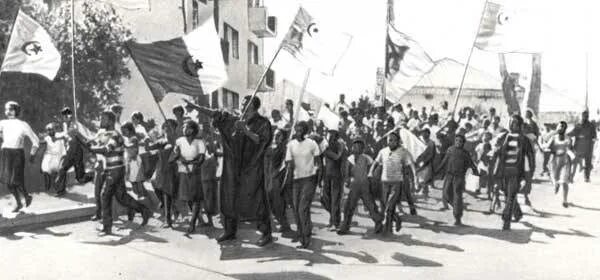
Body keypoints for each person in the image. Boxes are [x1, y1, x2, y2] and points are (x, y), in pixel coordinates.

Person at [184, 96, 273, 247]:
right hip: (233, 165)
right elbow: (215, 114)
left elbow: (261, 140)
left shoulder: (263, 123)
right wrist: (195, 106)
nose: (243, 104)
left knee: (256, 199)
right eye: (243, 102)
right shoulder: (233, 119)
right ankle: (230, 231)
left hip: (251, 167)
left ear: (254, 106)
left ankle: (266, 233)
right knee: (228, 196)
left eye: (247, 103)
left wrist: (245, 130)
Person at [88, 111, 152, 235]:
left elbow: (107, 150)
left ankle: (107, 227)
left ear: (111, 121)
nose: (101, 121)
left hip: (115, 170)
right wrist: (87, 142)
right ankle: (144, 210)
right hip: (114, 169)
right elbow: (94, 142)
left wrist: (91, 148)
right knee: (121, 197)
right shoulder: (106, 134)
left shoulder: (115, 135)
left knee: (105, 196)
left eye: (103, 119)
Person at [369, 132, 418, 234]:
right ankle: (396, 220)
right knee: (385, 207)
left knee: (390, 207)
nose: (390, 142)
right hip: (384, 182)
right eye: (388, 140)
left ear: (397, 141)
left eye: (392, 140)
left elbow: (411, 164)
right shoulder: (383, 151)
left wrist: (415, 177)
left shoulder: (403, 152)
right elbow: (376, 162)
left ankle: (388, 229)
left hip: (396, 183)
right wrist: (370, 171)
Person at [493, 115, 535, 231]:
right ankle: (517, 213)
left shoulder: (525, 140)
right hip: (504, 171)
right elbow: (497, 153)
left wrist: (529, 175)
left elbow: (531, 157)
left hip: (516, 172)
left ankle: (506, 221)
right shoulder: (504, 137)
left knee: (510, 196)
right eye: (511, 122)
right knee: (507, 194)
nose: (512, 125)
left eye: (515, 123)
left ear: (520, 125)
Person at [285, 121, 322, 248]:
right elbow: (289, 164)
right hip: (296, 181)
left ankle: (306, 237)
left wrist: (317, 175)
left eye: (301, 130)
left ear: (305, 131)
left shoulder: (312, 144)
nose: (298, 132)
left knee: (302, 209)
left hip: (309, 179)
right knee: (296, 210)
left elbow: (318, 162)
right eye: (297, 130)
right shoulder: (290, 145)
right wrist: (287, 183)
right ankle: (301, 235)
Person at [337, 139, 383, 235]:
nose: (356, 149)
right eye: (354, 147)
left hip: (365, 185)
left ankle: (379, 223)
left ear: (363, 149)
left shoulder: (367, 158)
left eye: (359, 147)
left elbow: (374, 169)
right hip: (355, 185)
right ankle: (345, 226)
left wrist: (373, 183)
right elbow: (346, 172)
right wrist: (347, 181)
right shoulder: (350, 159)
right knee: (349, 206)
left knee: (370, 205)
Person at [0, 101, 39, 211]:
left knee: (16, 180)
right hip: (5, 153)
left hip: (17, 154)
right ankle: (19, 202)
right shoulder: (2, 123)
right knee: (7, 181)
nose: (8, 112)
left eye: (11, 109)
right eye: (6, 109)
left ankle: (26, 196)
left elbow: (35, 141)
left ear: (16, 111)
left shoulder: (23, 124)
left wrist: (32, 154)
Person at [435, 134, 479, 226]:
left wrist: (476, 173)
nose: (458, 142)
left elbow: (471, 164)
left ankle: (457, 217)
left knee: (457, 197)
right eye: (456, 140)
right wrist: (437, 170)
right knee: (446, 194)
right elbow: (444, 161)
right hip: (449, 176)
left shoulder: (465, 153)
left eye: (460, 141)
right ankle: (457, 207)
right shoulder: (450, 150)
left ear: (463, 143)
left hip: (459, 178)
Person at [172, 120, 206, 234]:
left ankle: (192, 223)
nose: (184, 129)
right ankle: (197, 219)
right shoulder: (179, 141)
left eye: (186, 127)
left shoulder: (199, 142)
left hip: (195, 172)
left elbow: (201, 158)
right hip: (183, 171)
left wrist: (191, 163)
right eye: (183, 127)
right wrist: (181, 159)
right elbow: (175, 155)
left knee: (196, 198)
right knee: (188, 198)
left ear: (192, 130)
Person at [55, 107, 94, 196]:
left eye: (67, 115)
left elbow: (80, 137)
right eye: (64, 116)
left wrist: (89, 148)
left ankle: (93, 176)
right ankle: (60, 190)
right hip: (70, 151)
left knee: (80, 178)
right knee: (62, 169)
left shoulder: (75, 125)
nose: (66, 118)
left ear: (70, 115)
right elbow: (65, 136)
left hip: (77, 151)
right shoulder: (65, 125)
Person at [149, 119, 179, 228]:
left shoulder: (177, 140)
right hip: (160, 167)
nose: (167, 128)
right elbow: (151, 147)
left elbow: (177, 153)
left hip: (171, 168)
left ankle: (168, 219)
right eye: (165, 126)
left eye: (170, 126)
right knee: (154, 183)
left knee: (167, 192)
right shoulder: (162, 140)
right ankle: (172, 208)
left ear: (174, 128)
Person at [265, 129, 293, 234]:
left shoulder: (284, 149)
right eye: (275, 135)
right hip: (269, 178)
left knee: (278, 204)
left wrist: (277, 173)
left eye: (279, 135)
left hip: (278, 179)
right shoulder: (272, 148)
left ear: (284, 137)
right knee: (271, 203)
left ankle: (285, 224)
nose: (276, 137)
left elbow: (285, 164)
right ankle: (283, 223)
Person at [321, 129, 346, 231]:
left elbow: (337, 157)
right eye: (328, 134)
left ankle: (335, 223)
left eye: (332, 134)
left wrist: (326, 152)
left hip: (337, 175)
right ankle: (334, 219)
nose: (329, 136)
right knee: (325, 199)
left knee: (335, 200)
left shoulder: (339, 145)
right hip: (327, 175)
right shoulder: (326, 146)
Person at [546, 121, 574, 208]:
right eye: (559, 126)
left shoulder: (568, 138)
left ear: (565, 129)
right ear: (557, 127)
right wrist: (550, 150)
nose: (561, 128)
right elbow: (547, 147)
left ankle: (564, 200)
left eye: (563, 127)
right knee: (555, 178)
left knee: (565, 181)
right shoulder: (553, 138)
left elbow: (570, 149)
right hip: (555, 160)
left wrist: (570, 152)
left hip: (565, 160)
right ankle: (556, 184)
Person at [568, 110, 597, 183]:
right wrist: (566, 134)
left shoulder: (591, 125)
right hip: (579, 146)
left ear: (588, 116)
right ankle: (571, 177)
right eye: (584, 115)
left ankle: (586, 177)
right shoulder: (578, 125)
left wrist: (593, 141)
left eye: (586, 116)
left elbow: (594, 136)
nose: (585, 117)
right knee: (575, 162)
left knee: (587, 163)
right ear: (582, 116)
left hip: (587, 147)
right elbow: (573, 132)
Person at [40, 123, 66, 191]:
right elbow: (42, 142)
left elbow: (63, 148)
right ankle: (47, 186)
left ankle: (58, 188)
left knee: (58, 171)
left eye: (50, 130)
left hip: (58, 156)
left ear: (54, 129)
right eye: (48, 130)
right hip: (48, 155)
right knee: (45, 168)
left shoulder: (60, 136)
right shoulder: (47, 138)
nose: (49, 131)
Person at [415, 128, 436, 197]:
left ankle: (425, 192)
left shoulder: (431, 143)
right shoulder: (420, 142)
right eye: (422, 133)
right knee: (419, 178)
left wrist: (425, 162)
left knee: (424, 179)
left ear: (428, 134)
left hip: (427, 163)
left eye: (424, 133)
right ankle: (424, 192)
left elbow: (431, 155)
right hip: (420, 162)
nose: (423, 134)